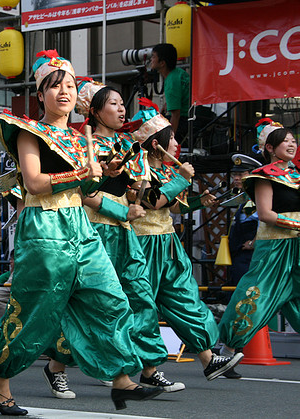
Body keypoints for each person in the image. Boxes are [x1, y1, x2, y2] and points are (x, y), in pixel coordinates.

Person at [0, 49, 164, 413]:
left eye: (69, 85)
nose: (63, 92)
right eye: (54, 86)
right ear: (40, 95)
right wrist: (81, 174)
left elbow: (85, 192)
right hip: (44, 229)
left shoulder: (83, 140)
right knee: (36, 312)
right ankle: (0, 378)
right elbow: (34, 183)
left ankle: (121, 379)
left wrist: (106, 174)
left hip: (80, 227)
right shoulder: (27, 132)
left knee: (109, 297)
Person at [77, 80, 185, 392]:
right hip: (94, 231)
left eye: (123, 103)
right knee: (92, 303)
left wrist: (169, 186)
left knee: (141, 297)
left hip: (126, 234)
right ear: (95, 111)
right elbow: (83, 194)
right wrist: (122, 210)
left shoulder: (129, 147)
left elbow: (142, 193)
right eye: (113, 104)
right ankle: (58, 364)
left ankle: (150, 368)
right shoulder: (81, 144)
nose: (123, 108)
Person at [128, 98, 243, 381]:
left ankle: (209, 359)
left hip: (167, 242)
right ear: (156, 143)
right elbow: (155, 201)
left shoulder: (166, 169)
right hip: (143, 245)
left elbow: (175, 206)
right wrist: (181, 178)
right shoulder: (138, 167)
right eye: (172, 138)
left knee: (184, 297)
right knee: (143, 306)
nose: (177, 143)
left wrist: (199, 201)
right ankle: (147, 369)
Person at [219, 119, 300, 355]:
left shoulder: (296, 175)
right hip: (274, 247)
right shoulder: (262, 176)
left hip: (296, 245)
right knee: (256, 293)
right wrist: (297, 224)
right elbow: (265, 214)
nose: (291, 144)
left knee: (294, 296)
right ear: (270, 148)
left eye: (294, 140)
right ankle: (228, 347)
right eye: (285, 141)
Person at [226, 153, 261, 286]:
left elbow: (263, 222)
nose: (236, 178)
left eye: (241, 174)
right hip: (239, 251)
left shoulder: (257, 196)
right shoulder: (245, 196)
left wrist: (253, 243)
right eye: (235, 175)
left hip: (250, 253)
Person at [149, 43, 190, 145]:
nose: (151, 60)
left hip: (183, 121)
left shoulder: (171, 81)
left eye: (153, 56)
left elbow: (176, 115)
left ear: (162, 63)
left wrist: (169, 141)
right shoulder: (179, 73)